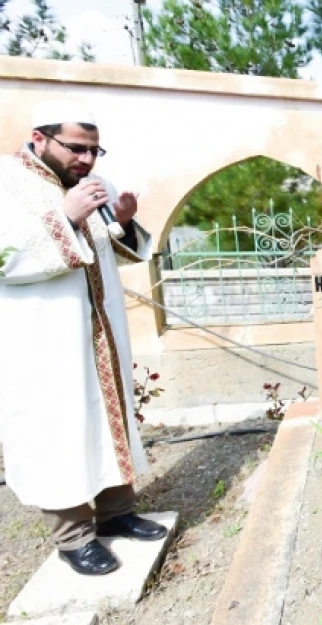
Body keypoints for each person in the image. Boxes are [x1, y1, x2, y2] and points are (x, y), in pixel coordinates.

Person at [0, 101, 168, 577]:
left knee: (106, 419)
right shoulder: (6, 183)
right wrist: (66, 218)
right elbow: (4, 257)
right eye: (77, 148)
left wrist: (125, 220)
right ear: (39, 138)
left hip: (100, 333)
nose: (88, 160)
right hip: (42, 340)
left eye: (95, 150)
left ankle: (118, 514)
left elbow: (117, 248)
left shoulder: (92, 185)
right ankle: (73, 536)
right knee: (58, 428)